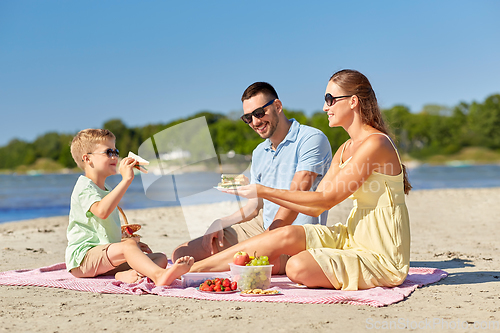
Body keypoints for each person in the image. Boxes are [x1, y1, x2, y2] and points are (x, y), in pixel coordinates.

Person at [190, 69, 412, 291]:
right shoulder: (345, 149)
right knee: (285, 234)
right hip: (351, 237)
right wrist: (255, 196)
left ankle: (193, 270)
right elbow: (314, 203)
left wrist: (263, 191)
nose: (325, 107)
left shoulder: (376, 144)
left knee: (297, 267)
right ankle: (192, 271)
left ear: (353, 101)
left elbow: (325, 201)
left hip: (381, 253)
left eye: (330, 99)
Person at [172, 82, 332, 274]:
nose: (255, 122)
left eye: (259, 113)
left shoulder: (311, 138)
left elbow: (294, 198)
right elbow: (254, 207)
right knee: (182, 252)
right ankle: (206, 263)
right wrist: (222, 222)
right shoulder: (259, 152)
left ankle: (196, 270)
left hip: (295, 235)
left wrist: (264, 241)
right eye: (248, 117)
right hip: (263, 227)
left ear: (278, 106)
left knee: (230, 262)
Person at [66, 129, 194, 285]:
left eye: (116, 151)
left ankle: (123, 274)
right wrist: (126, 180)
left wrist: (132, 246)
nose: (115, 156)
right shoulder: (85, 186)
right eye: (108, 152)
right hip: (84, 259)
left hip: (105, 258)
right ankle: (159, 276)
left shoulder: (105, 188)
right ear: (87, 159)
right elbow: (102, 211)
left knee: (158, 258)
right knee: (129, 247)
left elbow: (102, 230)